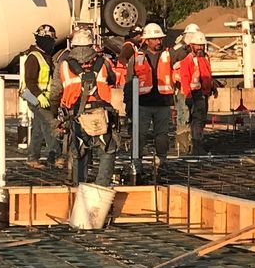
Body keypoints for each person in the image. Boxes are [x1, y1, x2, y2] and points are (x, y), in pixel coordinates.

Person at [56, 25, 123, 185]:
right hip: (100, 114)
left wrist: (54, 117)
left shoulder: (63, 65)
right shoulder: (103, 62)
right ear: (91, 44)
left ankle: (79, 187)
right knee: (108, 149)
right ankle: (102, 185)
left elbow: (55, 92)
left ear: (73, 45)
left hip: (75, 116)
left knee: (79, 152)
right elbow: (112, 79)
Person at [126, 22, 175, 179]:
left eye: (160, 39)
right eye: (155, 39)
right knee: (139, 136)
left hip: (162, 103)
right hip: (143, 104)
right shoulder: (137, 58)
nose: (158, 41)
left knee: (162, 136)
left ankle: (161, 164)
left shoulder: (168, 56)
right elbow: (129, 82)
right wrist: (128, 105)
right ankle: (137, 164)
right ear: (146, 40)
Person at [18, 23, 60, 166]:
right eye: (50, 40)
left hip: (42, 97)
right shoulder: (34, 57)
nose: (52, 44)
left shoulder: (45, 56)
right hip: (33, 96)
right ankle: (57, 155)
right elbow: (30, 80)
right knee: (49, 123)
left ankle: (32, 157)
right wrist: (39, 95)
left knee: (38, 128)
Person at [173, 23, 218, 155]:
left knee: (199, 121)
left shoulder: (204, 58)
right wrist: (187, 95)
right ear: (191, 45)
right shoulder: (187, 59)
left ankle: (197, 146)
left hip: (201, 94)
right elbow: (185, 77)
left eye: (202, 45)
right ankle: (184, 148)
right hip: (188, 94)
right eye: (198, 45)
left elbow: (207, 75)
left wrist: (213, 87)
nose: (200, 48)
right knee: (185, 119)